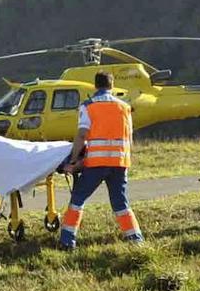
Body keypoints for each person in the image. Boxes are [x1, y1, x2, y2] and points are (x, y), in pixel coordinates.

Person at [58, 72, 143, 249]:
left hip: (96, 164)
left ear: (95, 86)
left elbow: (82, 134)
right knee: (120, 203)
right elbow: (129, 137)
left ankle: (67, 242)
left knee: (78, 200)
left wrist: (73, 161)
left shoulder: (88, 106)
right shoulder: (124, 107)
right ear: (112, 86)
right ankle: (136, 240)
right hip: (120, 162)